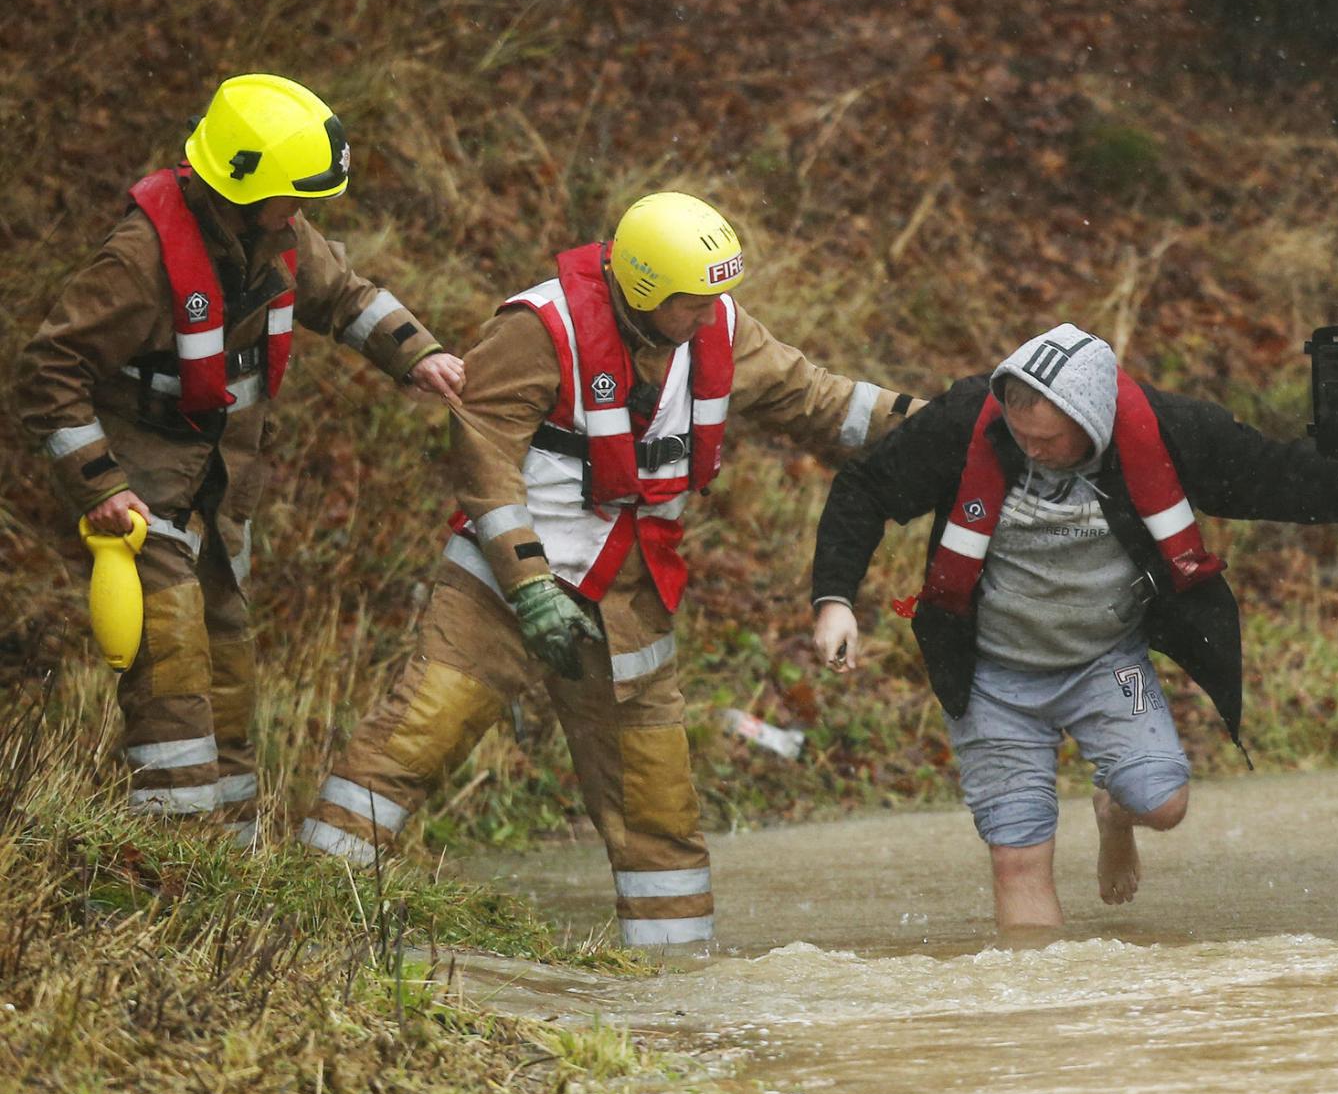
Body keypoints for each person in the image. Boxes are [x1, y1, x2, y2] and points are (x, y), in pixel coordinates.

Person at [301, 191, 914, 951]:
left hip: (627, 596)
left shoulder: (715, 325)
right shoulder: (539, 328)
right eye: (692, 303)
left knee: (655, 804)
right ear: (646, 289)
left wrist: (935, 420)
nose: (709, 316)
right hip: (501, 584)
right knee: (416, 739)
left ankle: (674, 990)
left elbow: (816, 397)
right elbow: (484, 458)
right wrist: (528, 585)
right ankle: (307, 914)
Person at [809, 322, 1338, 932]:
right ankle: (1045, 1033)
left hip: (1106, 662)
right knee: (1018, 859)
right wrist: (835, 598)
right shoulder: (968, 421)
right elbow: (864, 488)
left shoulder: (1171, 432)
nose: (1031, 452)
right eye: (1020, 438)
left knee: (1164, 802)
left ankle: (1115, 812)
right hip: (991, 674)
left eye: (1047, 440)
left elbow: (1292, 478)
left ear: (1094, 421)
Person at [16, 73, 466, 842]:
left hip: (222, 494)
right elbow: (47, 371)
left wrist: (420, 356)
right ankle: (173, 858)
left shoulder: (275, 235)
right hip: (141, 492)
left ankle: (231, 855)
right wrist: (99, 485)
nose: (303, 215)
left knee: (228, 670)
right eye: (293, 199)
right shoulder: (138, 261)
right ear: (237, 187)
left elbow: (348, 298)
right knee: (172, 668)